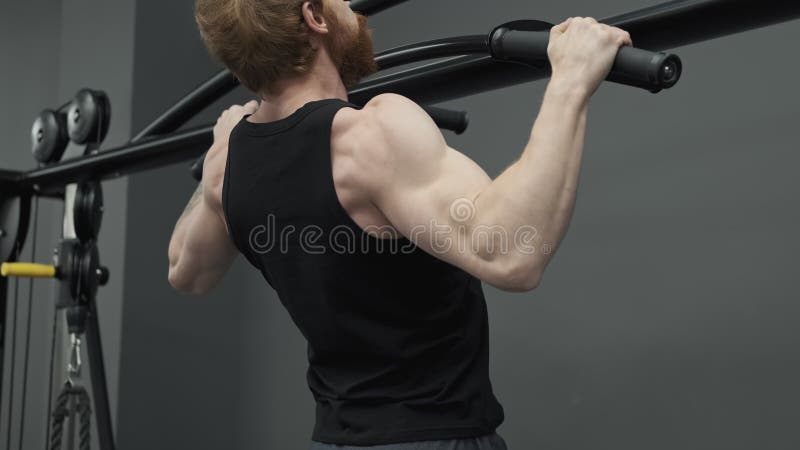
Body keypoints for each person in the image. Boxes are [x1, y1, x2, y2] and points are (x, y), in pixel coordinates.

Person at [168, 1, 632, 448]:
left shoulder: (229, 164)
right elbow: (512, 253)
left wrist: (221, 148)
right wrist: (570, 82)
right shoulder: (368, 134)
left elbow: (186, 272)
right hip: (433, 439)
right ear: (313, 16)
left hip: (333, 440)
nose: (355, 8)